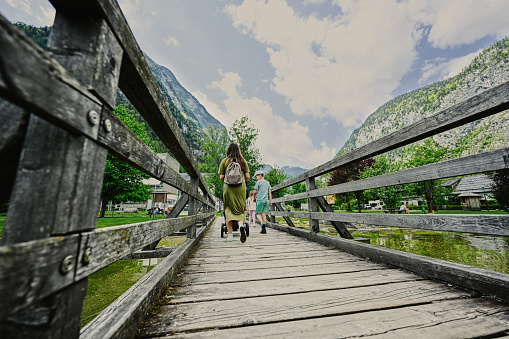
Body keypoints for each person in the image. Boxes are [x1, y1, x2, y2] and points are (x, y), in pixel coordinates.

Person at [218, 143, 250, 243]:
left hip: (228, 188)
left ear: (228, 150)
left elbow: (221, 177)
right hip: (240, 188)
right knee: (240, 210)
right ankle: (241, 226)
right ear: (238, 150)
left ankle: (230, 236)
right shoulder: (243, 161)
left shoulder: (224, 161)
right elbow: (248, 177)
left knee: (228, 209)